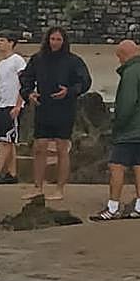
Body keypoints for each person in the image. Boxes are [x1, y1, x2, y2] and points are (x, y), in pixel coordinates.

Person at [18, 26, 92, 201]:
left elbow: (85, 81)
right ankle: (37, 187)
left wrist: (70, 91)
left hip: (64, 108)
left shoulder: (73, 61)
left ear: (64, 41)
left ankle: (59, 189)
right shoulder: (38, 59)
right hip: (43, 107)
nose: (55, 42)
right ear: (47, 40)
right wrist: (28, 94)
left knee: (61, 148)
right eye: (53, 39)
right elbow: (25, 79)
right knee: (39, 147)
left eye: (59, 39)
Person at [90, 39, 140, 221]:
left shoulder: (130, 74)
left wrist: (117, 124)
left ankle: (113, 207)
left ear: (124, 55)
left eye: (119, 56)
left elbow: (126, 104)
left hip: (129, 130)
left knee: (116, 166)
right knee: (138, 166)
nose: (118, 61)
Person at [0, 32, 27, 184]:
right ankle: (12, 174)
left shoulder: (17, 60)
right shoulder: (1, 64)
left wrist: (19, 104)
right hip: (1, 103)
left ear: (11, 43)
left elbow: (25, 83)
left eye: (3, 40)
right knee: (8, 141)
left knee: (7, 141)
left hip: (13, 104)